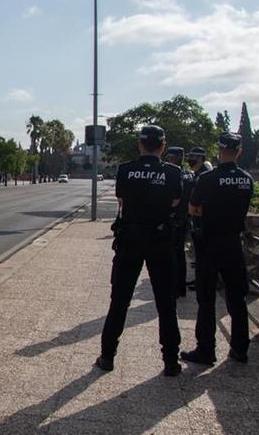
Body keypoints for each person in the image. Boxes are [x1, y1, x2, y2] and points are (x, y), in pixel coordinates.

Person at [97, 125, 184, 377]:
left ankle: (107, 356)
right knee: (166, 304)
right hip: (160, 240)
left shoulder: (125, 170)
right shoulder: (173, 172)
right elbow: (175, 201)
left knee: (119, 302)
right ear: (163, 146)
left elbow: (121, 200)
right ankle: (170, 361)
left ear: (140, 145)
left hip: (130, 240)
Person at [181, 132, 254, 366]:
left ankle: (206, 350)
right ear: (239, 151)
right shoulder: (246, 179)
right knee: (237, 299)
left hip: (210, 243)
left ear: (219, 150)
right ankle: (240, 349)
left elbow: (193, 208)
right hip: (234, 243)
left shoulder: (209, 179)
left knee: (206, 299)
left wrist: (209, 213)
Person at [166, 147, 194, 298]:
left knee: (170, 254)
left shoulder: (170, 174)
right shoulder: (190, 175)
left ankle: (172, 288)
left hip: (171, 219)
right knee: (180, 254)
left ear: (171, 158)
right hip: (185, 218)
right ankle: (180, 288)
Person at [185, 147, 212, 291]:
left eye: (193, 157)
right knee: (199, 255)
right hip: (195, 220)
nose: (190, 160)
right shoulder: (196, 174)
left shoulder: (204, 175)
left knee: (203, 255)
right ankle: (198, 279)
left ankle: (202, 282)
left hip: (202, 221)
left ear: (201, 158)